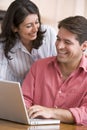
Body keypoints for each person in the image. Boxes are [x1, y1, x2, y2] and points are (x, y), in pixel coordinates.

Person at [22, 16, 87, 126]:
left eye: (67, 42)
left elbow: (85, 113)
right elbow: (24, 99)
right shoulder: (39, 66)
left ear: (84, 45)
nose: (59, 46)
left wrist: (51, 112)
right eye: (58, 39)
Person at [0, 0, 56, 84]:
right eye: (28, 26)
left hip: (46, 88)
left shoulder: (49, 34)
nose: (35, 29)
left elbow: (59, 67)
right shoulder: (3, 44)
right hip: (20, 92)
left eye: (37, 22)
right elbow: (2, 77)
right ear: (14, 27)